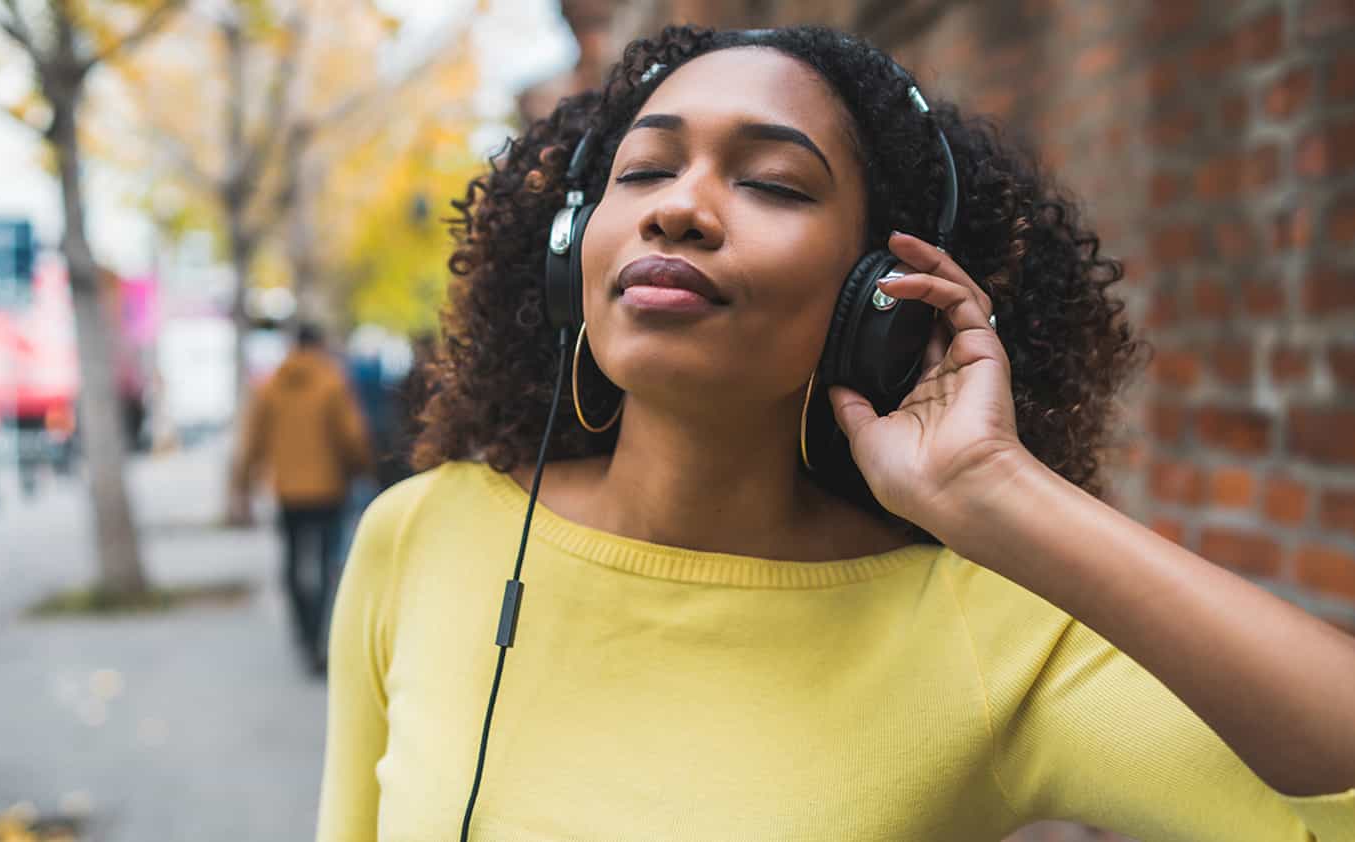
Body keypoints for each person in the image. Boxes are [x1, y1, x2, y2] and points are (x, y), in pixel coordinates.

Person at [315, 25, 1355, 841]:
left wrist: (1005, 493)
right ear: (567, 254)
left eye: (770, 181)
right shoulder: (420, 533)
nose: (679, 209)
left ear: (877, 299)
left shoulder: (983, 631)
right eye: (642, 172)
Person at [235, 323, 373, 674]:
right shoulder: (331, 382)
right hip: (329, 489)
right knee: (328, 565)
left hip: (286, 491)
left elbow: (252, 439)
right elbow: (352, 435)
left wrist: (242, 484)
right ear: (320, 344)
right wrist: (361, 467)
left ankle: (303, 630)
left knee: (293, 564)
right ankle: (320, 636)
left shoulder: (270, 387)